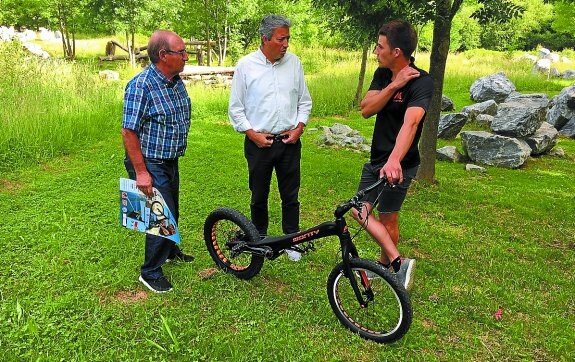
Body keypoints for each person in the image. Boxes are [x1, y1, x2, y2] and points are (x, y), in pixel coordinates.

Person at [353, 20, 433, 291]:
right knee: (358, 209)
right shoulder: (383, 75)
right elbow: (366, 109)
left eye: (380, 46)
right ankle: (399, 264)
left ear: (396, 52)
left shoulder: (422, 82)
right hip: (378, 159)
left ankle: (387, 267)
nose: (376, 51)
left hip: (401, 162)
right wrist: (393, 85)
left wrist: (395, 160)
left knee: (389, 217)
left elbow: (411, 123)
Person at [228, 15, 312, 260]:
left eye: (288, 38)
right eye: (281, 39)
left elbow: (304, 101)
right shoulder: (245, 66)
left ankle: (291, 240)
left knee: (290, 194)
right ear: (265, 39)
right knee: (259, 194)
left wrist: (299, 128)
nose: (286, 44)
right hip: (259, 144)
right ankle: (259, 238)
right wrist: (252, 135)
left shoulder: (294, 63)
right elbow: (236, 108)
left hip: (289, 141)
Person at [122, 30, 194, 293]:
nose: (186, 57)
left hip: (169, 159)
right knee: (161, 216)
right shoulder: (141, 86)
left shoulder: (175, 81)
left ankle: (170, 251)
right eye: (181, 52)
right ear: (163, 55)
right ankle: (150, 272)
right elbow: (128, 131)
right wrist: (141, 172)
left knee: (171, 209)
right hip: (149, 161)